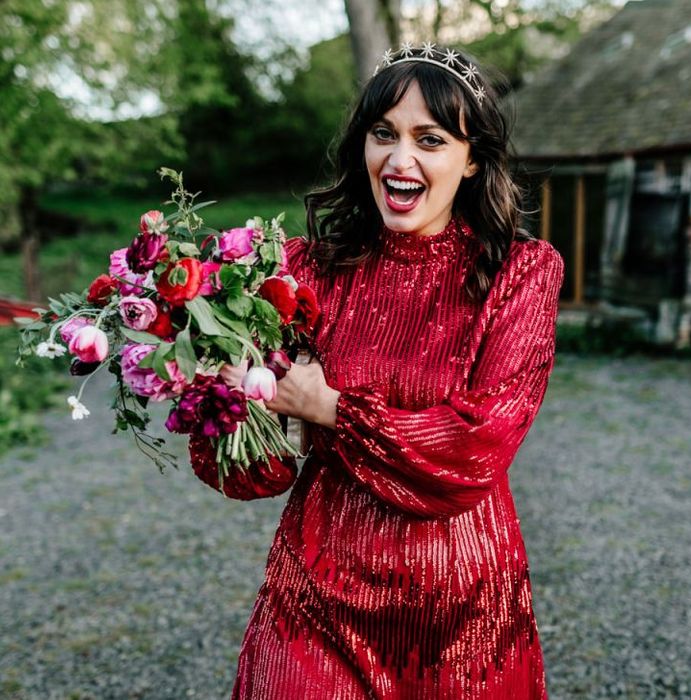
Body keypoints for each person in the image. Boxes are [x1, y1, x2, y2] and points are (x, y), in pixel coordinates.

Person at [190, 43, 563, 699]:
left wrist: (330, 408)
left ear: (472, 159)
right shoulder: (304, 271)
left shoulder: (521, 276)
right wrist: (227, 395)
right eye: (383, 133)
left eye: (431, 138)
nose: (400, 159)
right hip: (318, 594)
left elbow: (476, 450)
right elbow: (262, 473)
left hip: (461, 612)